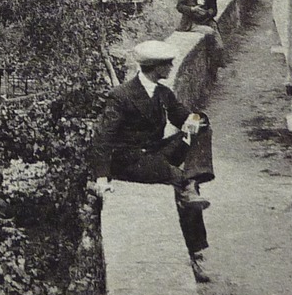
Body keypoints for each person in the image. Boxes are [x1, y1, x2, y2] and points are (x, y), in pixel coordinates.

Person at [90, 40, 215, 281]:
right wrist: (101, 177)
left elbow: (183, 118)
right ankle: (195, 255)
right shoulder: (121, 96)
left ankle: (191, 182)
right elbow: (103, 138)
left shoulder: (163, 93)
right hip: (129, 160)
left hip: (155, 152)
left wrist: (196, 120)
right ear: (156, 67)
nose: (171, 67)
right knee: (179, 180)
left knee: (201, 130)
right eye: (167, 64)